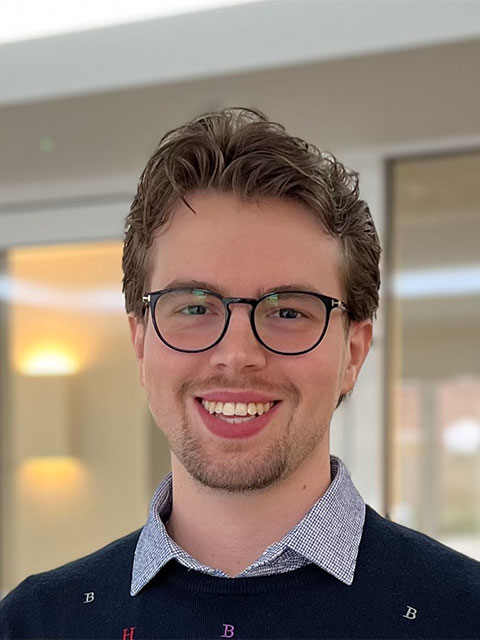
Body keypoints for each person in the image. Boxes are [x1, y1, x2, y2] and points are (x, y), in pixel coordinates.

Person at [1, 107, 479, 640]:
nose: (237, 354)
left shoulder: (462, 615)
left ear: (354, 352)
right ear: (140, 341)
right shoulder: (34, 622)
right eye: (195, 306)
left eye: (289, 311)